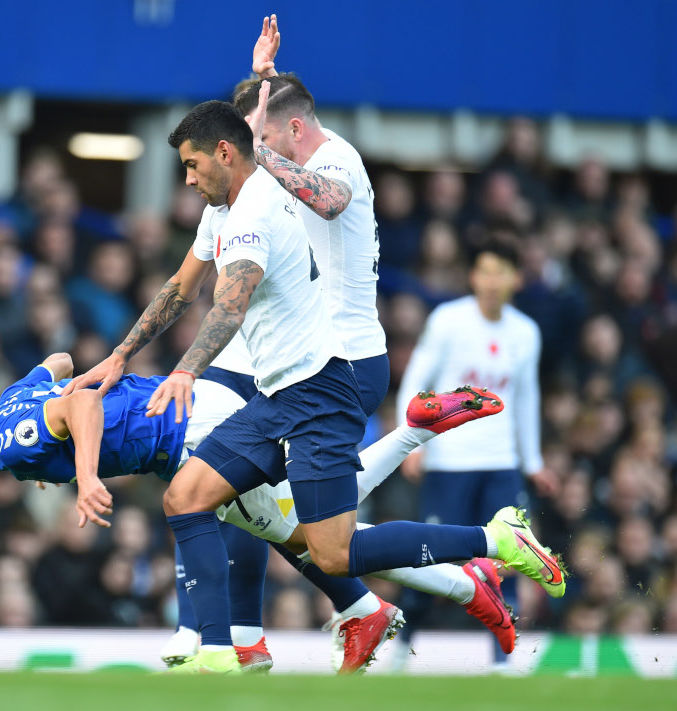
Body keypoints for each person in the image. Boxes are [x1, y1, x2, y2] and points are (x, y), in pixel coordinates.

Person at [65, 98, 563, 673]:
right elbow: (181, 287)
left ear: (225, 153)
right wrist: (120, 355)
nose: (187, 177)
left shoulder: (255, 211)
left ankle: (494, 539)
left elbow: (229, 307)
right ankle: (220, 652)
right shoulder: (223, 206)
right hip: (274, 396)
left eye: (193, 164)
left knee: (332, 552)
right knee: (186, 497)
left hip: (318, 394)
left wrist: (184, 371)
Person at [0, 352, 515, 671]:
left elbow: (81, 405)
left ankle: (221, 649)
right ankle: (444, 577)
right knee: (308, 531)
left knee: (309, 533)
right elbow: (63, 363)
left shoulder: (4, 441)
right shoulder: (7, 410)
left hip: (191, 430)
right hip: (191, 415)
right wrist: (64, 434)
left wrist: (86, 473)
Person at [164, 16, 407, 672]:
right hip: (304, 366)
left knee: (307, 531)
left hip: (344, 362)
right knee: (265, 514)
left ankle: (473, 561)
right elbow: (233, 147)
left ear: (291, 130)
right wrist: (262, 79)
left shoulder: (334, 159)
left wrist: (262, 149)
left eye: (265, 138)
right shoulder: (267, 171)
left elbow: (325, 200)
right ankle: (310, 622)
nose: (253, 152)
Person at [395, 239, 556, 669]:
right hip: (449, 463)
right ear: (472, 277)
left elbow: (525, 399)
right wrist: (410, 444)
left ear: (516, 280)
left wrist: (533, 461)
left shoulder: (526, 332)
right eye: (484, 271)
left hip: (501, 465)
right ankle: (399, 648)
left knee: (507, 559)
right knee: (428, 558)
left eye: (500, 272)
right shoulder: (448, 320)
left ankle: (504, 661)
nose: (491, 281)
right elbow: (417, 379)